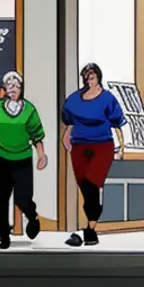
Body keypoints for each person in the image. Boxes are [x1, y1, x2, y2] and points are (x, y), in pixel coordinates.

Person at [61, 63, 125, 248]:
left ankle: (88, 229)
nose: (90, 79)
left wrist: (122, 148)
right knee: (84, 187)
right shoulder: (74, 99)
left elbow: (117, 124)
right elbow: (69, 122)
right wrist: (66, 137)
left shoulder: (107, 98)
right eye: (87, 76)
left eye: (93, 75)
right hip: (79, 146)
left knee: (91, 184)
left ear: (99, 77)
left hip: (102, 145)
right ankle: (90, 232)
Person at [0, 71, 46, 249]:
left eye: (16, 86)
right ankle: (4, 237)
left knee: (23, 199)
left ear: (21, 89)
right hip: (1, 159)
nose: (13, 89)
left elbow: (37, 136)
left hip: (22, 159)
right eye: (10, 86)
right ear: (5, 89)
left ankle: (33, 217)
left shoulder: (29, 110)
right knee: (2, 199)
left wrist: (41, 155)